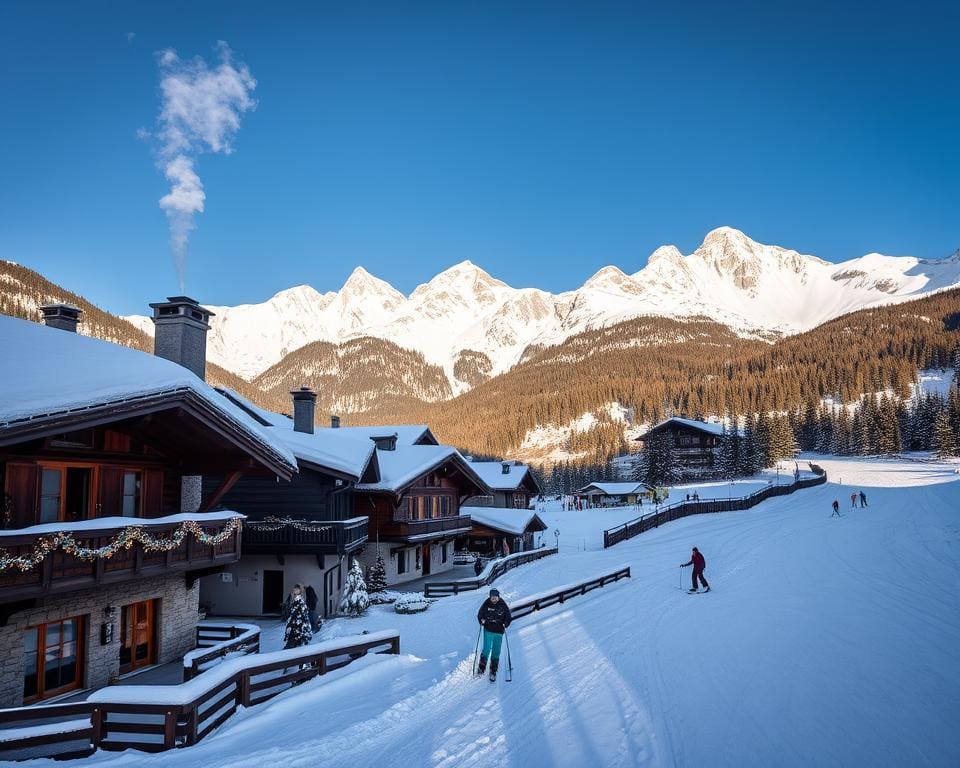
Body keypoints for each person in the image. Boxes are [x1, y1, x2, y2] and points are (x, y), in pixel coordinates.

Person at [476, 588, 512, 681]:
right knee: (486, 649)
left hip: (499, 631)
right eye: (492, 598)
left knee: (496, 650)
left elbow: (508, 617)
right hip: (488, 629)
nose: (493, 599)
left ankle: (493, 671)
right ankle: (481, 668)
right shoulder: (486, 604)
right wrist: (482, 621)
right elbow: (480, 614)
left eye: (495, 598)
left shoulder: (502, 605)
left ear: (498, 597)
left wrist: (506, 624)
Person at [283, 584, 313, 650]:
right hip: (294, 623)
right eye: (294, 588)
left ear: (300, 591)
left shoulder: (300, 600)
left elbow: (302, 613)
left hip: (297, 624)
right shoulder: (295, 599)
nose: (295, 590)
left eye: (297, 589)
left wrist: (296, 621)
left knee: (294, 639)